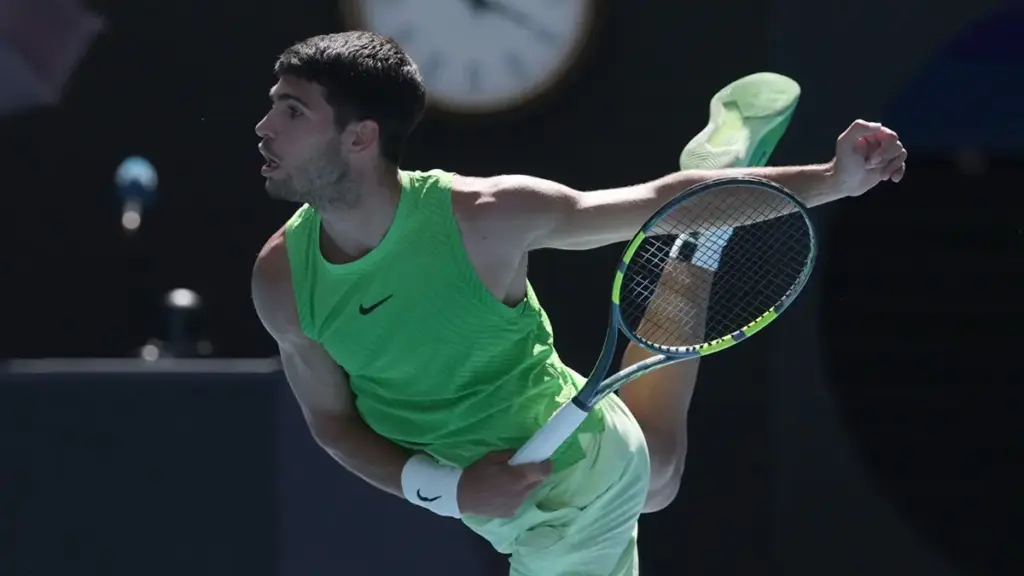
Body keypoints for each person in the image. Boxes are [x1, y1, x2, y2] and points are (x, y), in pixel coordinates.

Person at [251, 31, 906, 576]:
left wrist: (833, 179)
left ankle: (702, 232)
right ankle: (702, 241)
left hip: (573, 484)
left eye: (292, 111)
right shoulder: (282, 279)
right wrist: (450, 491)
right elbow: (334, 425)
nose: (264, 128)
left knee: (646, 470)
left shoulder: (486, 218)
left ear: (360, 138)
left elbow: (659, 204)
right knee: (661, 472)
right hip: (509, 482)